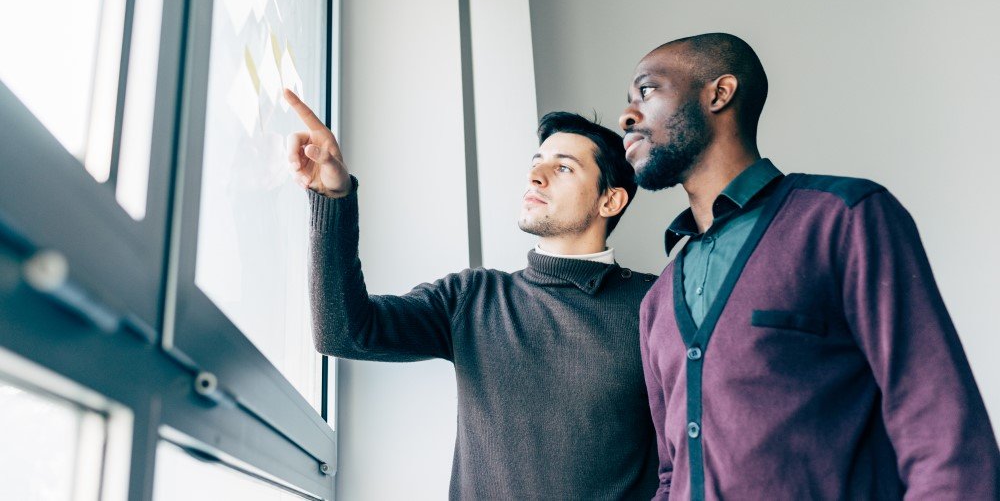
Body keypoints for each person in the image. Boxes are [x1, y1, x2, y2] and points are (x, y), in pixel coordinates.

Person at [618, 33, 1000, 500]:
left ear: (719, 94)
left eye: (647, 91)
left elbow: (944, 436)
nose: (627, 115)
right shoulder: (657, 301)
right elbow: (670, 476)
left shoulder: (844, 218)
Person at [284, 88, 659, 500]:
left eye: (564, 168)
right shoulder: (473, 297)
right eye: (537, 164)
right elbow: (343, 332)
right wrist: (331, 198)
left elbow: (686, 453)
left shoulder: (655, 304)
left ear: (610, 200)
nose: (536, 176)